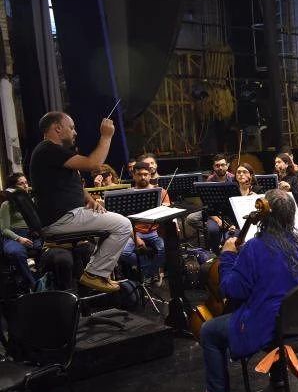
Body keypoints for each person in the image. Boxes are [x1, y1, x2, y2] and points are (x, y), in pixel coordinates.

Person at [197, 189, 298, 392]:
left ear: (264, 216)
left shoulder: (255, 247)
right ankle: (279, 375)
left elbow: (231, 291)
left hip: (269, 328)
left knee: (209, 331)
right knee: (279, 302)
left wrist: (228, 256)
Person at [28, 112, 132, 293]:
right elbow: (94, 164)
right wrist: (106, 136)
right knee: (123, 225)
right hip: (63, 219)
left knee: (110, 228)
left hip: (66, 217)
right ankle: (95, 274)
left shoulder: (52, 153)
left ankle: (98, 272)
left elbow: (72, 184)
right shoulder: (48, 149)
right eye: (72, 127)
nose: (75, 132)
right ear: (58, 128)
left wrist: (90, 200)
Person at [119, 161, 171, 281]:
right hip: (135, 231)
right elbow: (124, 220)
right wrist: (136, 238)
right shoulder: (128, 194)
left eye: (145, 174)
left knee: (165, 249)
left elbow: (168, 210)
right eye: (139, 174)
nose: (143, 177)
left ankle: (148, 272)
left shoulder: (161, 191)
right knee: (123, 253)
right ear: (133, 175)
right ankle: (150, 268)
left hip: (155, 230)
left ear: (150, 174)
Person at [1, 174, 42, 290]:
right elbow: (4, 229)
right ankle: (32, 284)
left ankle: (43, 281)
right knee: (16, 252)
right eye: (21, 183)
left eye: (26, 183)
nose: (25, 186)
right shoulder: (6, 205)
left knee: (44, 249)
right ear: (13, 187)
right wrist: (19, 239)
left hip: (33, 234)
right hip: (14, 236)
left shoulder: (33, 202)